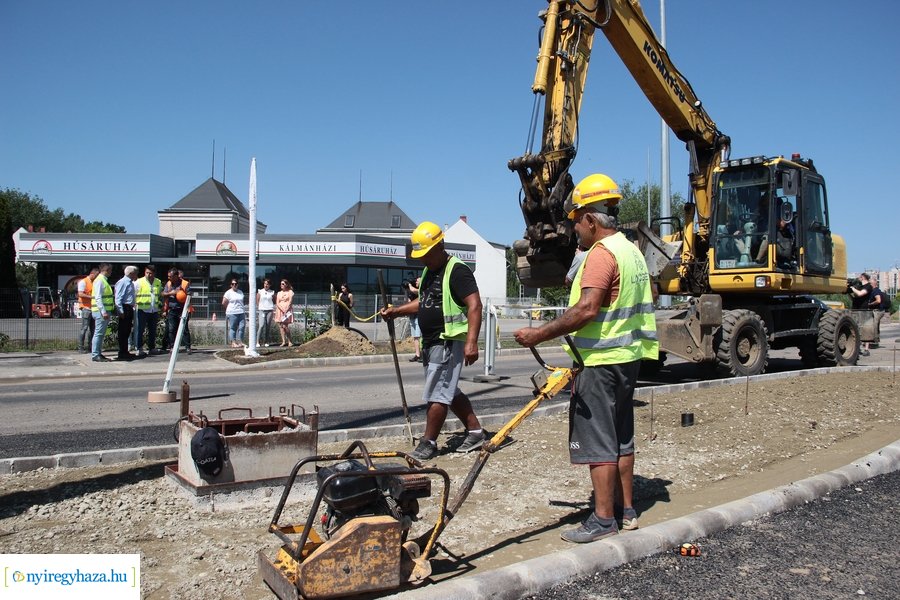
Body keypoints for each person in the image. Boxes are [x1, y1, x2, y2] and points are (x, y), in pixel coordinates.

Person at [513, 173, 658, 543]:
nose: (574, 229)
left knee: (598, 443)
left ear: (591, 220)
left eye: (576, 221)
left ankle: (603, 519)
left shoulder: (602, 255)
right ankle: (627, 511)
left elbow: (586, 309)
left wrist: (538, 333)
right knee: (622, 438)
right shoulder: (632, 252)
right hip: (628, 358)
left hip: (600, 362)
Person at [380, 221, 485, 461]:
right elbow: (425, 302)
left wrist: (471, 342)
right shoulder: (430, 271)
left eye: (426, 254)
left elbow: (475, 305)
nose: (423, 259)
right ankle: (476, 432)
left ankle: (428, 442)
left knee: (438, 392)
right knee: (448, 389)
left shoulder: (457, 270)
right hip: (431, 342)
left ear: (440, 246)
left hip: (447, 341)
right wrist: (397, 310)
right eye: (420, 255)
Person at [135, 265, 163, 357]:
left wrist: (160, 305)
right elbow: (133, 294)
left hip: (153, 310)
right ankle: (139, 348)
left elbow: (159, 295)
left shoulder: (158, 282)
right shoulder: (139, 282)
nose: (148, 275)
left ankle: (152, 348)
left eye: (150, 273)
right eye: (147, 272)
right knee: (140, 330)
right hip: (142, 309)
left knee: (152, 330)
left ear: (154, 273)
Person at [163, 268, 192, 354]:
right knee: (172, 329)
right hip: (172, 309)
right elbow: (163, 294)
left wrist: (182, 295)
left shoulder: (185, 283)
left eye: (170, 276)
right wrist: (170, 293)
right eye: (168, 276)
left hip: (182, 309)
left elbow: (190, 295)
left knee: (184, 329)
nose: (169, 278)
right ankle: (173, 347)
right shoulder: (168, 284)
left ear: (176, 276)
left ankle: (188, 347)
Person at [90, 263, 114, 363]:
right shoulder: (100, 281)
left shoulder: (102, 280)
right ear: (107, 270)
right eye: (111, 270)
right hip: (100, 312)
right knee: (98, 333)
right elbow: (98, 297)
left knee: (100, 333)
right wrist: (103, 311)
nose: (111, 272)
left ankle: (98, 353)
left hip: (101, 311)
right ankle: (95, 354)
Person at [114, 265, 139, 361]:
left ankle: (125, 351)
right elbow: (118, 298)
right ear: (131, 273)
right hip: (125, 307)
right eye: (135, 273)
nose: (136, 275)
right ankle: (122, 352)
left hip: (129, 308)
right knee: (123, 331)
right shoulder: (123, 282)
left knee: (127, 330)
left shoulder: (130, 282)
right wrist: (120, 310)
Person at [76, 267, 99, 353]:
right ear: (92, 273)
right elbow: (80, 294)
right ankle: (80, 348)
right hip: (86, 308)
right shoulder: (83, 282)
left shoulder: (94, 282)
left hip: (93, 308)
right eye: (96, 275)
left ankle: (90, 347)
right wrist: (92, 297)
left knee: (93, 329)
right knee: (84, 328)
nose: (97, 277)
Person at [222, 278, 246, 348]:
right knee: (233, 328)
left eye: (235, 284)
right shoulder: (228, 293)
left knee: (242, 327)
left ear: (237, 285)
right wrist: (229, 309)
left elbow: (242, 301)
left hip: (241, 312)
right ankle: (233, 342)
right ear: (231, 285)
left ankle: (240, 342)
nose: (234, 285)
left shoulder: (240, 292)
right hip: (232, 312)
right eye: (233, 284)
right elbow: (224, 302)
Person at [405, 277, 422, 362]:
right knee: (415, 336)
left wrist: (410, 286)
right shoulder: (411, 292)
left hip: (419, 316)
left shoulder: (422, 289)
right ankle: (417, 354)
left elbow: (416, 291)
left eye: (418, 281)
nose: (416, 282)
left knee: (420, 336)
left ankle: (423, 354)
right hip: (412, 316)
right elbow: (409, 302)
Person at [257, 278, 275, 347]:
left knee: (268, 326)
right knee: (261, 325)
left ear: (270, 285)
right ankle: (257, 341)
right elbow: (257, 300)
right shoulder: (260, 291)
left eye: (267, 284)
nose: (266, 285)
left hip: (269, 310)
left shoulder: (272, 292)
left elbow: (274, 300)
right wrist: (260, 307)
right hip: (262, 310)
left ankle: (266, 341)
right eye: (265, 284)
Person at [276, 279, 294, 347]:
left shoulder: (290, 292)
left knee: (285, 326)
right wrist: (282, 309)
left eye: (283, 284)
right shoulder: (279, 293)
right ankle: (283, 341)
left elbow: (290, 302)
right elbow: (277, 302)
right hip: (280, 310)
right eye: (281, 284)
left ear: (286, 284)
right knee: (281, 326)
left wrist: (286, 310)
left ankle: (290, 341)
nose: (281, 285)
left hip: (287, 310)